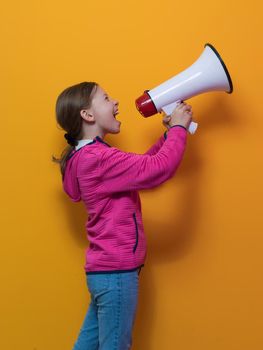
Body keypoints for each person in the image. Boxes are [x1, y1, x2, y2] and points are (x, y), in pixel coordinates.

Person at [52, 81, 193, 350]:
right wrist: (178, 129)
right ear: (88, 115)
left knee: (87, 345)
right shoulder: (98, 158)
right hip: (117, 273)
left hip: (103, 273)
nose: (115, 102)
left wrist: (168, 136)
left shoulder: (89, 156)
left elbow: (141, 169)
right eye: (106, 98)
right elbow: (158, 170)